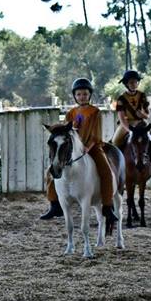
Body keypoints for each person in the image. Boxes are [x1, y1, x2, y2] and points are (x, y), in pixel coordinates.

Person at [40, 78, 118, 226]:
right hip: (73, 148)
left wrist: (87, 147)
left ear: (90, 95)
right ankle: (54, 204)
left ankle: (107, 206)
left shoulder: (95, 112)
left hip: (92, 147)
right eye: (79, 94)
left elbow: (96, 133)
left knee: (106, 170)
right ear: (75, 96)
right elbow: (66, 130)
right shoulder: (71, 113)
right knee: (51, 171)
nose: (82, 96)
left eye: (85, 94)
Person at [111, 70, 151, 178]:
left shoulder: (142, 96)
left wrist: (142, 115)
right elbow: (121, 117)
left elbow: (147, 114)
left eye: (135, 82)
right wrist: (129, 129)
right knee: (115, 142)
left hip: (141, 123)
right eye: (131, 82)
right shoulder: (121, 99)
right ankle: (115, 167)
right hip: (126, 124)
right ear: (126, 84)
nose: (133, 84)